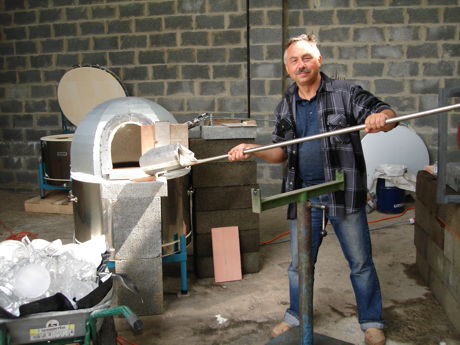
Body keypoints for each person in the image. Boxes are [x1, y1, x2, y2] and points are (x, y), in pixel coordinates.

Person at [228, 34, 397, 345]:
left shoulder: (345, 93)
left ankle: (371, 320)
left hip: (343, 193)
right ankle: (296, 315)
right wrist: (253, 149)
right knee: (298, 264)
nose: (300, 64)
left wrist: (380, 119)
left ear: (318, 60)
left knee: (360, 262)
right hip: (303, 195)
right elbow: (281, 153)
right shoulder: (285, 106)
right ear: (288, 68)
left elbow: (387, 113)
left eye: (306, 58)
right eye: (293, 60)